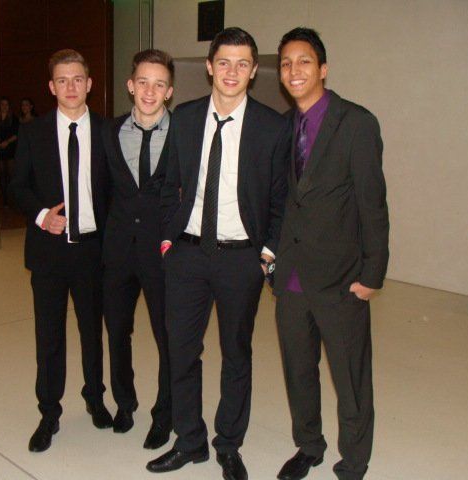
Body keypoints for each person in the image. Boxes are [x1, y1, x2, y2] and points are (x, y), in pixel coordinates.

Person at [146, 27, 290, 480]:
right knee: (181, 351)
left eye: (242, 63)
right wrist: (168, 239)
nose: (232, 71)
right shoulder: (186, 118)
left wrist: (267, 253)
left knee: (236, 353)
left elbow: (282, 200)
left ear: (254, 71)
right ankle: (189, 441)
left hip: (241, 259)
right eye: (224, 62)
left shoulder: (273, 126)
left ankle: (228, 444)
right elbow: (169, 183)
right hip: (187, 254)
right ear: (210, 66)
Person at [272, 28, 389, 480]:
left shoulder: (356, 123)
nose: (294, 70)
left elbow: (372, 204)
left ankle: (354, 461)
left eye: (303, 61)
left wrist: (372, 274)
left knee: (350, 378)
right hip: (291, 277)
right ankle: (309, 446)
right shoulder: (285, 125)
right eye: (285, 63)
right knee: (299, 371)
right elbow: (285, 200)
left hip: (342, 278)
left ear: (323, 69)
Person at [10, 49, 112, 453]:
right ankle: (49, 413)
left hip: (93, 253)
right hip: (49, 253)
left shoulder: (107, 131)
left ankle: (95, 398)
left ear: (89, 84)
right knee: (49, 336)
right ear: (51, 87)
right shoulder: (32, 133)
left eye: (78, 79)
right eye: (62, 80)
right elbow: (18, 186)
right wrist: (41, 216)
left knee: (92, 333)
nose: (71, 87)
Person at [102, 49, 174, 449]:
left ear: (169, 91)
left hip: (162, 254)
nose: (150, 91)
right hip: (117, 252)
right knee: (117, 331)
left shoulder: (183, 133)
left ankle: (164, 414)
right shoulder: (109, 132)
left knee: (168, 336)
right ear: (130, 85)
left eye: (159, 84)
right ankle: (125, 403)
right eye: (143, 82)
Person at [0, 97, 19, 206]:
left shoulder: (13, 118)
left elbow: (16, 134)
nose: (4, 106)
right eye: (2, 104)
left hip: (10, 148)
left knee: (10, 174)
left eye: (6, 104)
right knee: (1, 174)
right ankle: (4, 198)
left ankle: (12, 198)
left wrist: (7, 142)